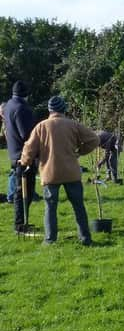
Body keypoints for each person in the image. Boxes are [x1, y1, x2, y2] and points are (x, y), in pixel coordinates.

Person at [19, 96, 100, 245]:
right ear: (64, 109)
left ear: (49, 110)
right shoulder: (73, 124)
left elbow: (29, 149)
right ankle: (85, 238)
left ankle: (50, 239)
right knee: (78, 207)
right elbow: (94, 139)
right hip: (71, 172)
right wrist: (80, 151)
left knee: (50, 207)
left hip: (50, 173)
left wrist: (24, 161)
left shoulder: (41, 126)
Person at [3, 80, 37, 234]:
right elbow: (27, 134)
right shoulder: (22, 109)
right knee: (24, 192)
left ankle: (22, 222)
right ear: (26, 94)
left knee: (21, 191)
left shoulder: (9, 105)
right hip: (23, 155)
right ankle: (20, 224)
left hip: (13, 153)